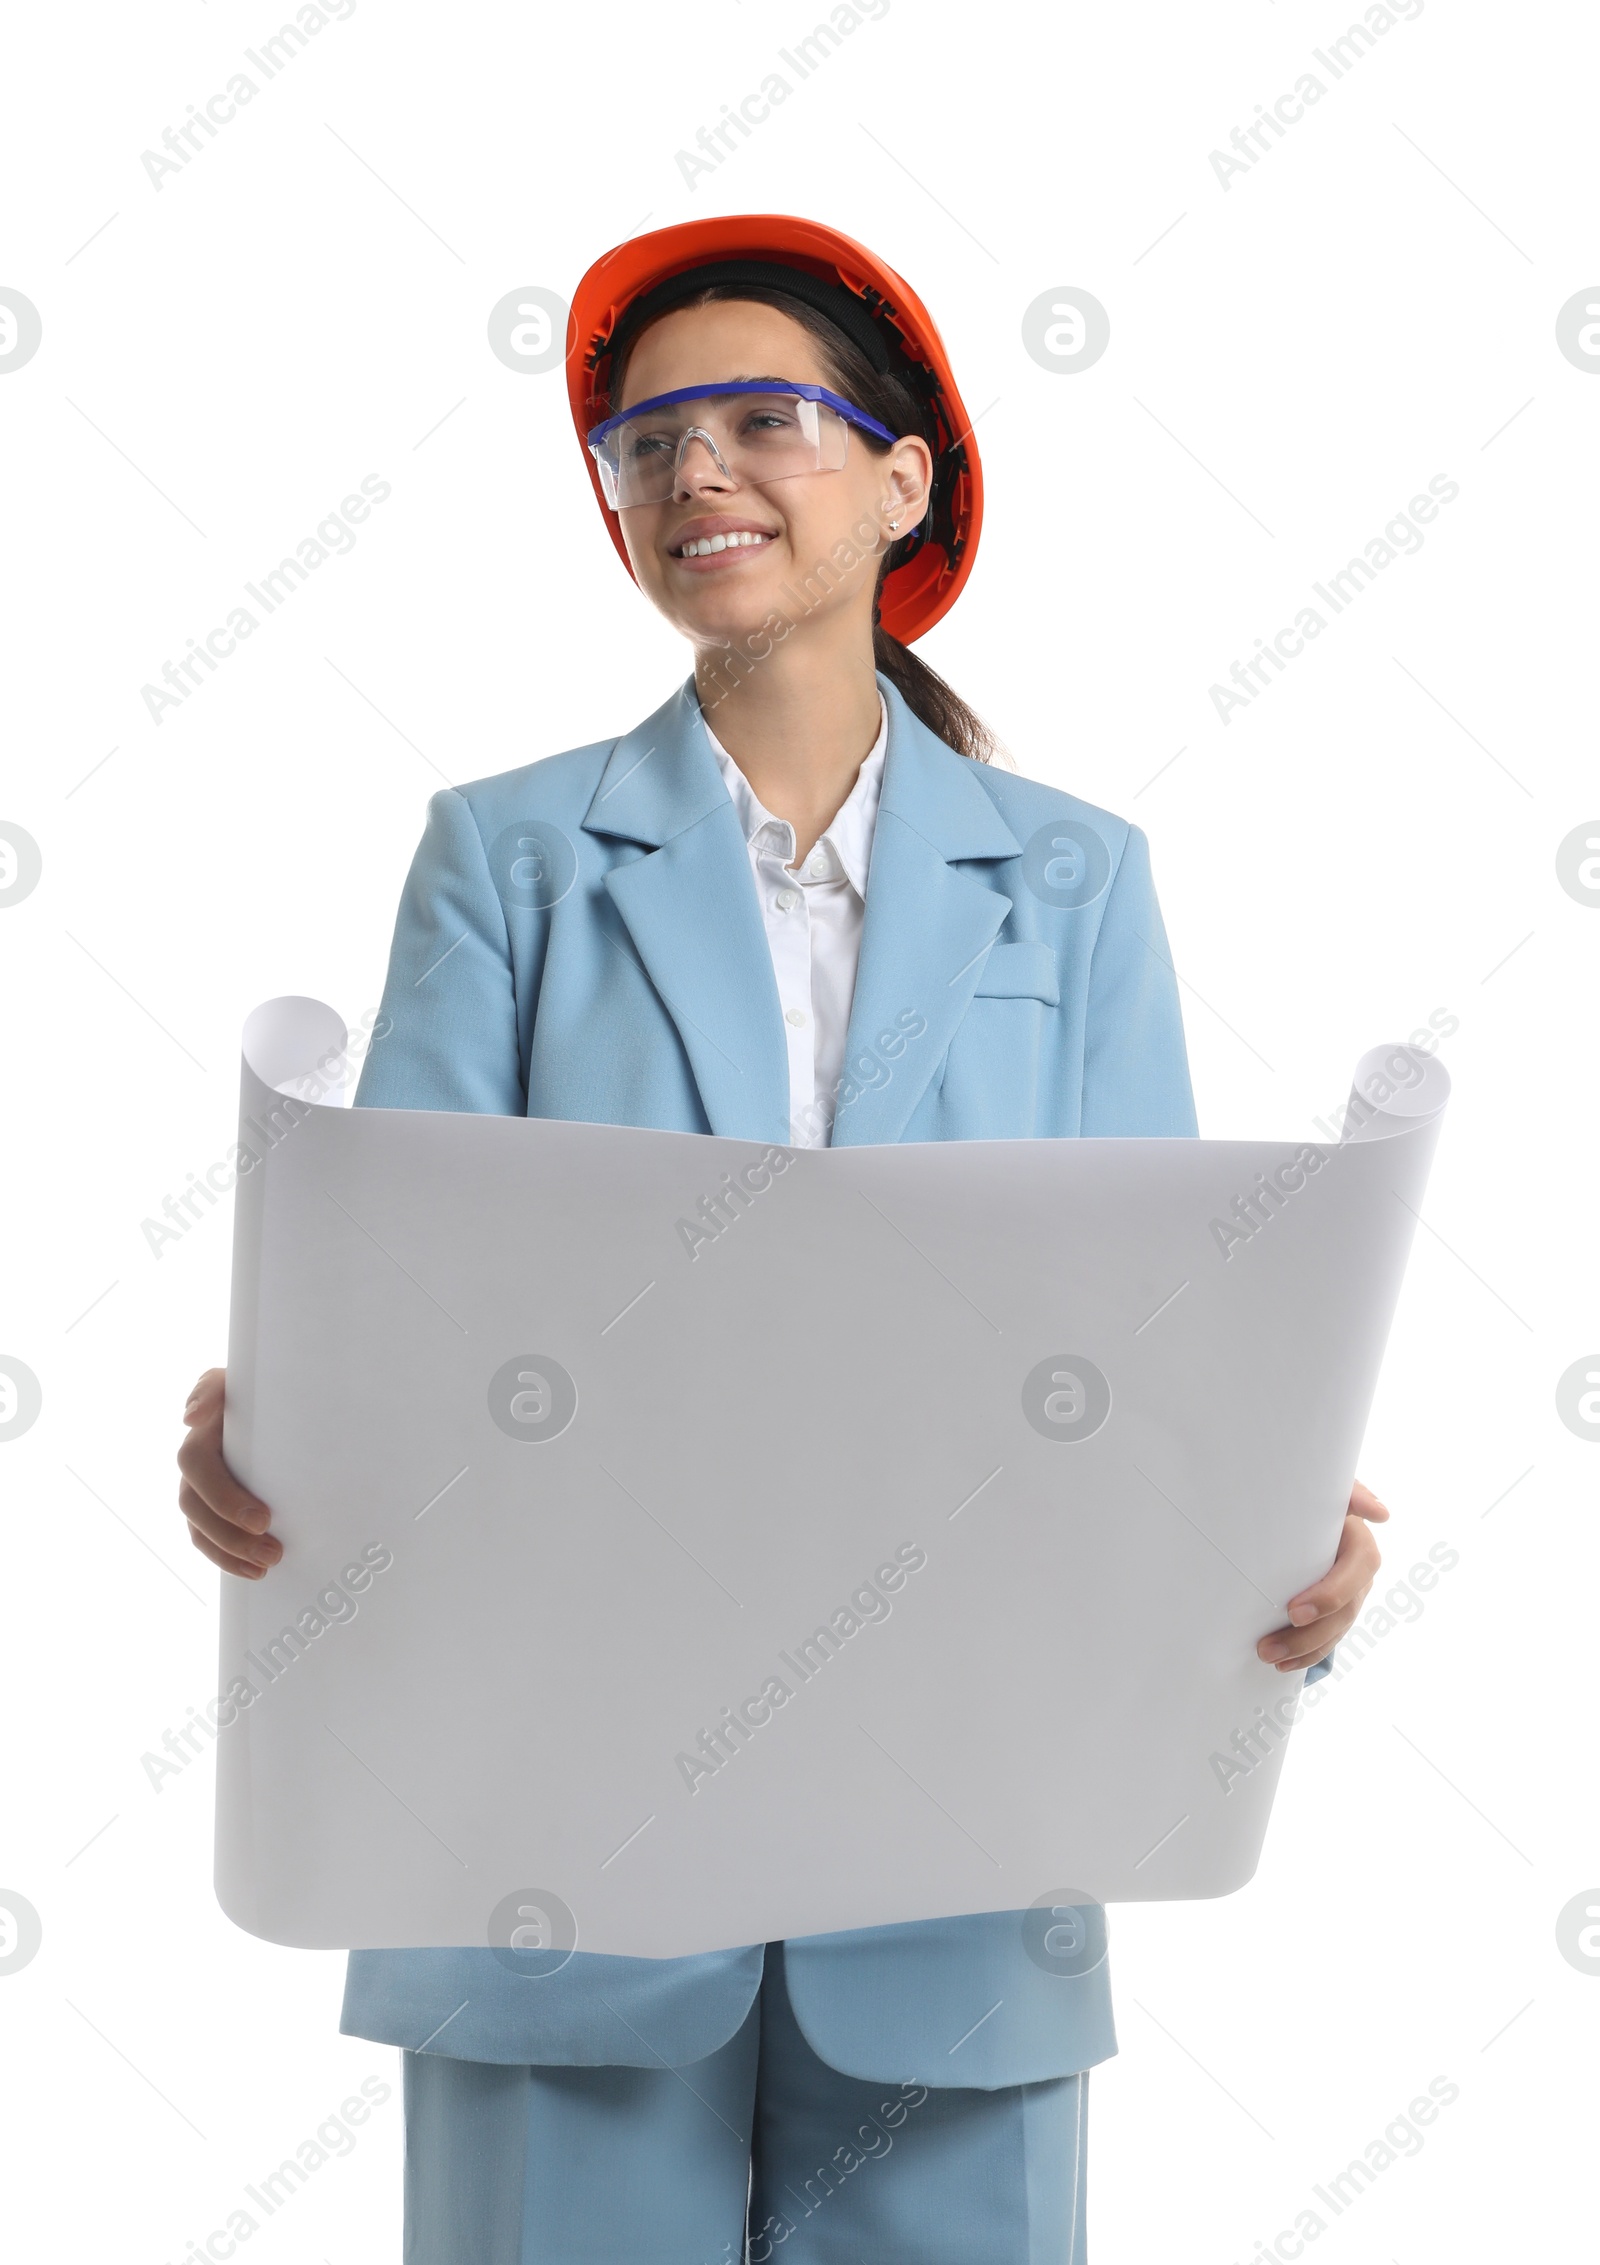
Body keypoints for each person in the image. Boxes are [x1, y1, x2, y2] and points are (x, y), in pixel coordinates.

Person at [177, 214, 1389, 2264]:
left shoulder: (1076, 885)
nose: (691, 474)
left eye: (760, 420)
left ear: (905, 477)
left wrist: (1268, 1519)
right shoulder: (513, 858)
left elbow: (1163, 1314)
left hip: (968, 1828)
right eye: (643, 443)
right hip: (550, 1825)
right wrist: (287, 1404)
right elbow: (404, 1268)